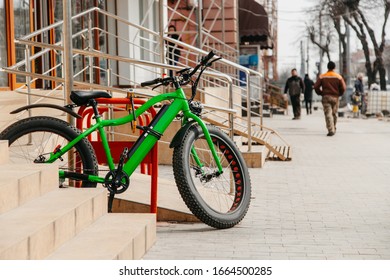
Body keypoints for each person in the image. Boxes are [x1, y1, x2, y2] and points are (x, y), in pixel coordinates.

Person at [314, 61, 346, 136]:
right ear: (334, 67)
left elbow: (316, 87)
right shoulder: (338, 76)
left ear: (327, 67)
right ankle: (334, 127)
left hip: (326, 97)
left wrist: (321, 93)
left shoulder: (322, 76)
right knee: (334, 113)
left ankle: (330, 129)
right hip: (335, 97)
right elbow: (343, 88)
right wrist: (339, 94)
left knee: (328, 113)